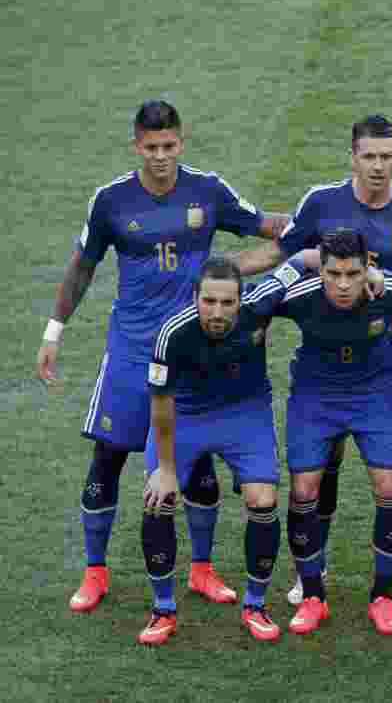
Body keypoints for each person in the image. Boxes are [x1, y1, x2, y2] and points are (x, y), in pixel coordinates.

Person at [35, 100, 289, 614]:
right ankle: (95, 571)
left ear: (181, 142)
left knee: (196, 466)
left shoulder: (208, 190)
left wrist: (318, 224)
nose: (160, 157)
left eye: (168, 147)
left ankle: (201, 569)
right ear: (136, 146)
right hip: (130, 351)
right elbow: (82, 267)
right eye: (150, 148)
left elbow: (266, 226)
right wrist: (53, 331)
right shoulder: (110, 201)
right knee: (108, 457)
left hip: (192, 353)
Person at [233, 115, 392, 605]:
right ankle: (314, 566)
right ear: (352, 157)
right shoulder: (320, 203)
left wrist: (375, 325)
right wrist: (221, 272)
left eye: (386, 156)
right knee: (321, 463)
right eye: (368, 156)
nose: (377, 166)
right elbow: (280, 254)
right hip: (328, 359)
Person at [256, 229, 392, 636]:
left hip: (374, 394)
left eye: (353, 273)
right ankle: (312, 595)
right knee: (303, 491)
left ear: (368, 268)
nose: (343, 284)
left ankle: (382, 596)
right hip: (316, 397)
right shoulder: (300, 297)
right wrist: (298, 263)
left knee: (388, 487)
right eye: (333, 273)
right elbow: (255, 301)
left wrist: (385, 322)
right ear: (322, 270)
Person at [138, 257, 282, 645]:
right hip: (185, 414)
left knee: (263, 501)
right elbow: (161, 405)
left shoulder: (263, 301)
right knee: (159, 498)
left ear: (242, 300)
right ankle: (163, 609)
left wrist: (369, 273)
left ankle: (255, 604)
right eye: (209, 301)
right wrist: (165, 468)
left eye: (227, 303)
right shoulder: (173, 333)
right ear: (195, 297)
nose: (217, 312)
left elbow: (302, 257)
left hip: (245, 413)